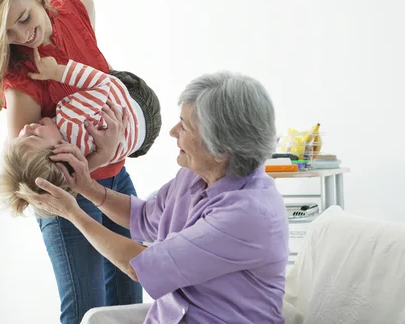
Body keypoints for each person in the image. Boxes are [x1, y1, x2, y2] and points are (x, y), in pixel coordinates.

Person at [0, 0, 144, 323]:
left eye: (23, 19)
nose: (23, 36)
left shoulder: (79, 9)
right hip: (65, 199)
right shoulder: (22, 82)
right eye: (7, 33)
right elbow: (34, 180)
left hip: (115, 180)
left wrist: (116, 141)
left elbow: (99, 85)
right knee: (86, 308)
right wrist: (95, 162)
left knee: (128, 301)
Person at [17, 72, 289, 324]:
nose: (172, 132)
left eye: (184, 126)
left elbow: (141, 266)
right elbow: (144, 217)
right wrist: (89, 188)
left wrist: (73, 213)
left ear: (220, 150)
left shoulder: (247, 215)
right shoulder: (194, 176)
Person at [0, 49, 161, 218]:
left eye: (21, 134)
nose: (25, 128)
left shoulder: (75, 165)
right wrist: (57, 72)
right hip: (140, 100)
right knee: (105, 75)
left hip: (144, 140)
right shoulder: (69, 119)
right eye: (33, 135)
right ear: (60, 152)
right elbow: (102, 83)